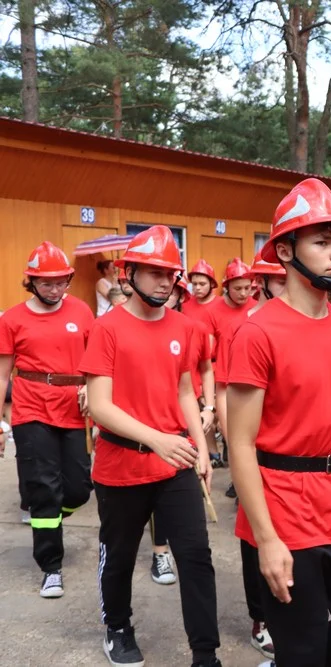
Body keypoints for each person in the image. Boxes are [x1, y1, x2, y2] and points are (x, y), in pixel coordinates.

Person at [226, 179, 331, 667]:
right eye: (322, 242)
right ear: (285, 250)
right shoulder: (257, 333)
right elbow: (239, 446)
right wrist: (267, 539)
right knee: (301, 648)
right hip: (283, 509)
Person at [79, 225, 219, 667]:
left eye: (170, 274)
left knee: (196, 555)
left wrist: (199, 446)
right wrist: (156, 438)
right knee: (118, 553)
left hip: (175, 461)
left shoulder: (186, 327)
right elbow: (99, 407)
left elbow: (184, 391)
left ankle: (205, 654)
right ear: (130, 273)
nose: (164, 281)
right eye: (154, 272)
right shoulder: (107, 328)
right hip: (121, 464)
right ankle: (117, 627)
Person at [0, 242, 94, 598]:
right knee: (43, 488)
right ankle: (50, 566)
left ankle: (51, 512)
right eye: (46, 283)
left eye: (61, 282)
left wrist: (92, 390)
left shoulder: (82, 312)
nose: (55, 290)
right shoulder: (12, 319)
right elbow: (2, 376)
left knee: (78, 490)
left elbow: (98, 362)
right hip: (31, 410)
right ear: (32, 282)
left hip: (73, 410)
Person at [211, 251, 286, 661]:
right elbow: (223, 386)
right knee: (256, 537)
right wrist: (228, 431)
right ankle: (261, 618)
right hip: (259, 451)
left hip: (307, 462)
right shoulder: (248, 329)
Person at [146, 277, 217, 587]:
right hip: (150, 421)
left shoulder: (193, 329)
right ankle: (159, 551)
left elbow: (205, 369)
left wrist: (209, 408)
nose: (167, 293)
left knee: (181, 499)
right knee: (153, 493)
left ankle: (176, 552)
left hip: (184, 418)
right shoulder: (137, 326)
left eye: (175, 291)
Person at [184, 259, 220, 326]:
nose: (197, 288)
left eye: (202, 284)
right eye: (194, 284)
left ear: (212, 283)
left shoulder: (222, 304)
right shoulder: (185, 303)